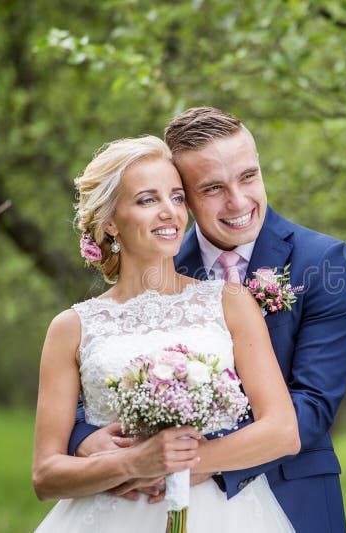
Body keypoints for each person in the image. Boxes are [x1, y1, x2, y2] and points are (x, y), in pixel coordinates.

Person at [70, 108, 346, 533]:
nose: (239, 202)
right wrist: (84, 438)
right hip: (152, 504)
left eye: (248, 176)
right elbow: (105, 359)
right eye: (212, 188)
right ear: (182, 194)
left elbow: (313, 403)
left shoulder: (324, 263)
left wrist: (189, 460)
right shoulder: (156, 259)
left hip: (292, 494)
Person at [32, 135, 300, 532]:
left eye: (176, 198)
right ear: (109, 221)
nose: (170, 213)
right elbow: (46, 474)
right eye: (147, 200)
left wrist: (182, 460)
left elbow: (282, 431)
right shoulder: (71, 328)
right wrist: (129, 464)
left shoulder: (230, 302)